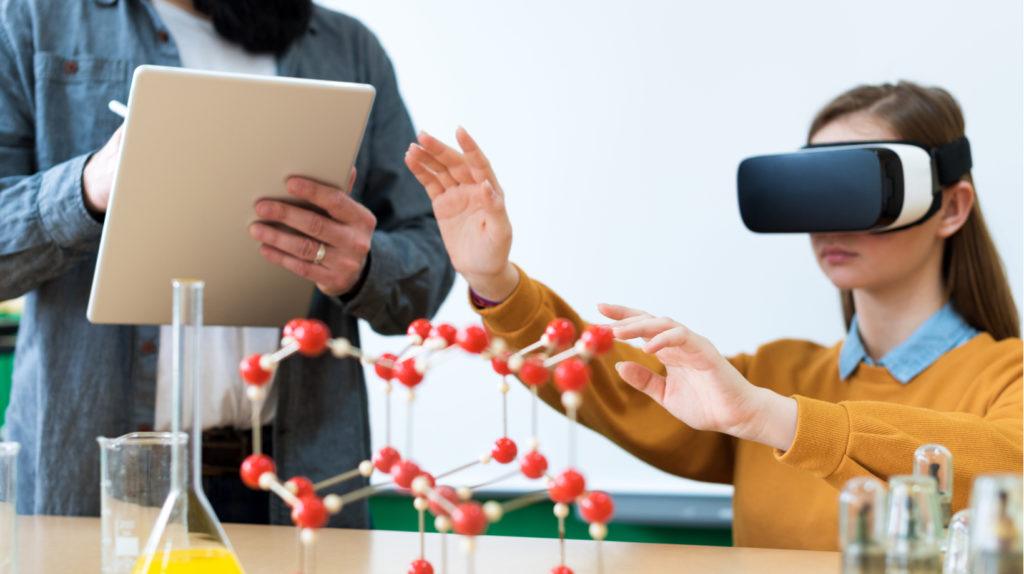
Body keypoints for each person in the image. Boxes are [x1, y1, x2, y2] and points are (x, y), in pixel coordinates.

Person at [403, 81, 1023, 550]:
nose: (830, 222)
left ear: (950, 208)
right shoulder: (778, 371)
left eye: (857, 188)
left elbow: (1002, 468)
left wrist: (776, 418)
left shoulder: (1006, 377)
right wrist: (493, 280)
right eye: (814, 188)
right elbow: (613, 387)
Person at [0, 0, 454, 527]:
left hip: (295, 483)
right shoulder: (34, 18)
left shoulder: (346, 46)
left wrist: (362, 266)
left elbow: (424, 274)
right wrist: (86, 187)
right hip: (91, 482)